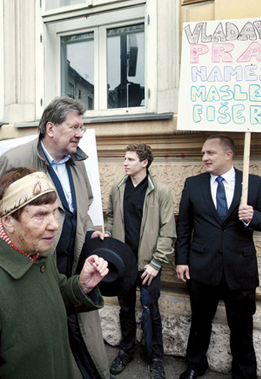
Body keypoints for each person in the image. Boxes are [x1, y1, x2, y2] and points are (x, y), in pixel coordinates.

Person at [0, 168, 109, 378]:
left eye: (54, 211)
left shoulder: (39, 253)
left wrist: (82, 286)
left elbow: (52, 295)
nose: (55, 225)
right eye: (40, 215)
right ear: (8, 220)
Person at [0, 96, 110, 379]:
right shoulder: (16, 160)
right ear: (51, 128)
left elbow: (85, 206)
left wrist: (91, 230)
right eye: (74, 127)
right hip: (35, 275)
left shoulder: (78, 163)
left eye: (82, 127)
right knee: (41, 353)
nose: (81, 133)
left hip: (73, 273)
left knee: (84, 345)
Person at [175, 134, 261, 379]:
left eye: (210, 153)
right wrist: (181, 259)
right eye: (203, 153)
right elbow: (183, 226)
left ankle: (244, 372)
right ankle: (194, 365)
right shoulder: (193, 184)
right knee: (200, 322)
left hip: (240, 268)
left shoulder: (252, 184)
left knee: (242, 326)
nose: (204, 158)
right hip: (201, 266)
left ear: (228, 154)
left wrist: (252, 217)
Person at [105, 144, 176, 379]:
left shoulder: (160, 192)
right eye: (124, 158)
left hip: (148, 266)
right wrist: (108, 242)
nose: (125, 163)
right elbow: (111, 217)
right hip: (123, 264)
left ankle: (155, 358)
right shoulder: (117, 188)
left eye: (130, 159)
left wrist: (156, 263)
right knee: (125, 309)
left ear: (144, 163)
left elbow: (168, 231)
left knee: (151, 311)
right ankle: (126, 351)